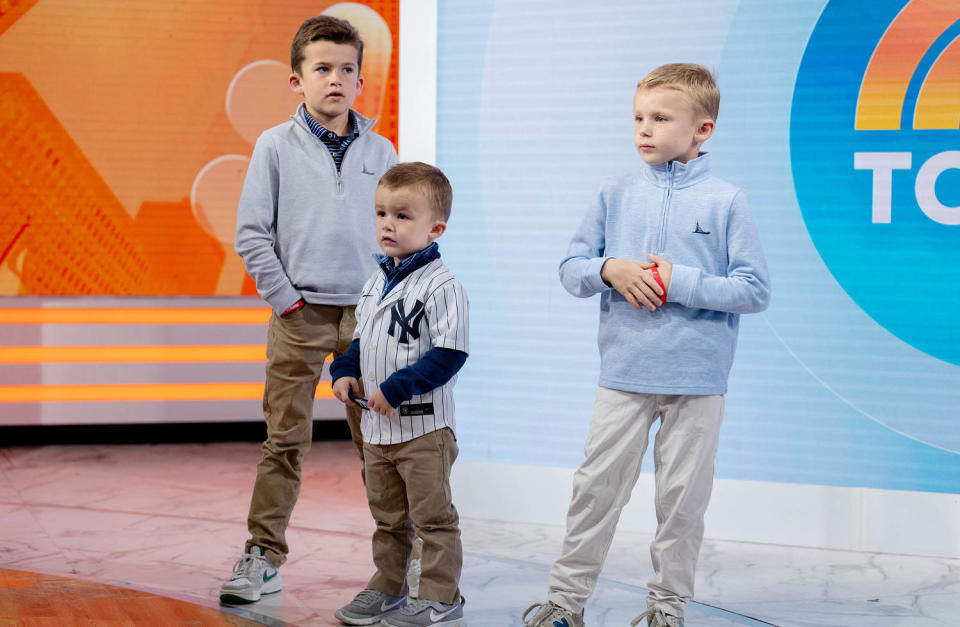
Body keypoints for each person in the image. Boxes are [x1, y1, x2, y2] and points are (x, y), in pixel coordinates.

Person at [522, 63, 771, 627]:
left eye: (661, 118)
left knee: (681, 502)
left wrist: (679, 280)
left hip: (697, 380)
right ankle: (564, 603)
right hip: (624, 373)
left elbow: (754, 291)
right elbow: (570, 268)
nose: (645, 129)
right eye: (638, 117)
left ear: (702, 130)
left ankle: (666, 609)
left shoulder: (728, 201)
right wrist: (610, 269)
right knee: (595, 491)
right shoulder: (615, 192)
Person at [219, 14, 398, 604]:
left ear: (360, 81)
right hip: (300, 315)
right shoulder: (274, 145)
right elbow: (251, 235)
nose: (336, 80)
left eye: (347, 70)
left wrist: (387, 299)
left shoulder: (381, 148)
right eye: (322, 68)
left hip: (368, 320)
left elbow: (395, 233)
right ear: (297, 79)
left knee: (379, 444)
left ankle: (400, 565)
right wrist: (289, 303)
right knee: (284, 442)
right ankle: (262, 557)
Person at [329, 162, 469, 627]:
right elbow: (358, 343)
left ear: (436, 228)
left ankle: (440, 596)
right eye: (381, 213)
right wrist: (344, 373)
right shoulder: (373, 283)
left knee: (433, 520)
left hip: (423, 431)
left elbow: (450, 354)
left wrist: (396, 387)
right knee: (388, 519)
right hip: (377, 431)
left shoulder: (443, 285)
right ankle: (388, 587)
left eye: (403, 215)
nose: (388, 224)